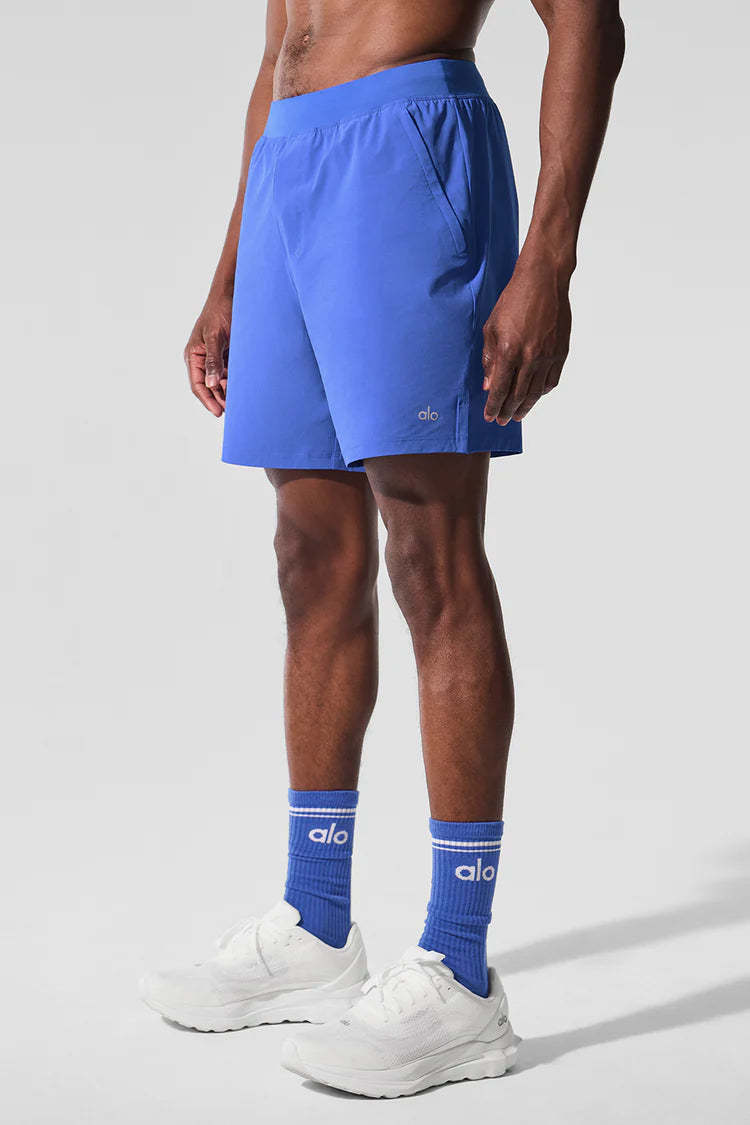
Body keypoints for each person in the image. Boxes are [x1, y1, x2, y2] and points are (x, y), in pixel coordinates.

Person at [141, 0, 624, 1097]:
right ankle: (317, 923)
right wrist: (231, 270)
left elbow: (588, 21)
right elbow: (280, 47)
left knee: (429, 556)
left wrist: (549, 260)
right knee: (309, 554)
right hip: (290, 167)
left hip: (408, 151)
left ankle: (459, 969)